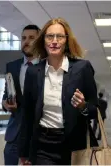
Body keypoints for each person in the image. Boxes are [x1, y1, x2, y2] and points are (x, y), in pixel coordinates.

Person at [18, 18, 98, 165]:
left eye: (60, 37)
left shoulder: (82, 68)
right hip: (43, 145)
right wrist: (24, 153)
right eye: (49, 36)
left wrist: (83, 106)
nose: (54, 41)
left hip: (74, 145)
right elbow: (27, 115)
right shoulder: (33, 72)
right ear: (43, 40)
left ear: (66, 41)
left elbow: (94, 110)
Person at [2, 25, 40, 165]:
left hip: (39, 137)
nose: (26, 41)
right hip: (14, 136)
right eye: (23, 38)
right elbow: (6, 95)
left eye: (31, 38)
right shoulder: (12, 66)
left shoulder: (47, 66)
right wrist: (5, 104)